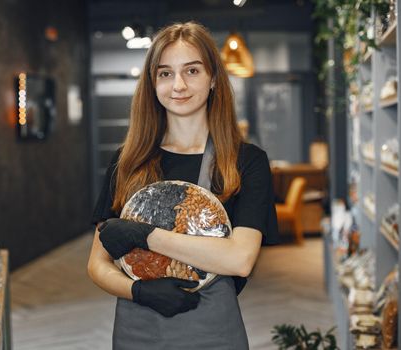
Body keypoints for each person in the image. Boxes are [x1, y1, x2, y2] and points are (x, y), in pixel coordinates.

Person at [88, 21, 278, 349]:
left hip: (214, 334)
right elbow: (97, 264)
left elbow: (240, 259)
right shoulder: (128, 161)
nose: (178, 85)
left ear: (214, 77)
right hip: (138, 331)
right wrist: (137, 290)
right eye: (165, 73)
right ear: (152, 83)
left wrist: (144, 235)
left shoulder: (246, 162)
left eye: (192, 71)